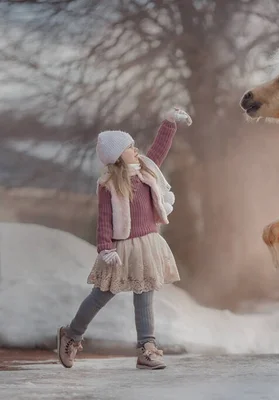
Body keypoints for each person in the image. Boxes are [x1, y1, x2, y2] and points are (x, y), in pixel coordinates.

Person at [57, 107, 192, 370]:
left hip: (148, 244)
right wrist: (105, 248)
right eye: (130, 147)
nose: (136, 150)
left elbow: (159, 148)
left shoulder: (146, 171)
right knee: (100, 296)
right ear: (119, 155)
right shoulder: (109, 184)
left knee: (145, 297)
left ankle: (147, 348)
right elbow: (104, 219)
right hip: (121, 249)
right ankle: (71, 335)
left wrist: (168, 122)